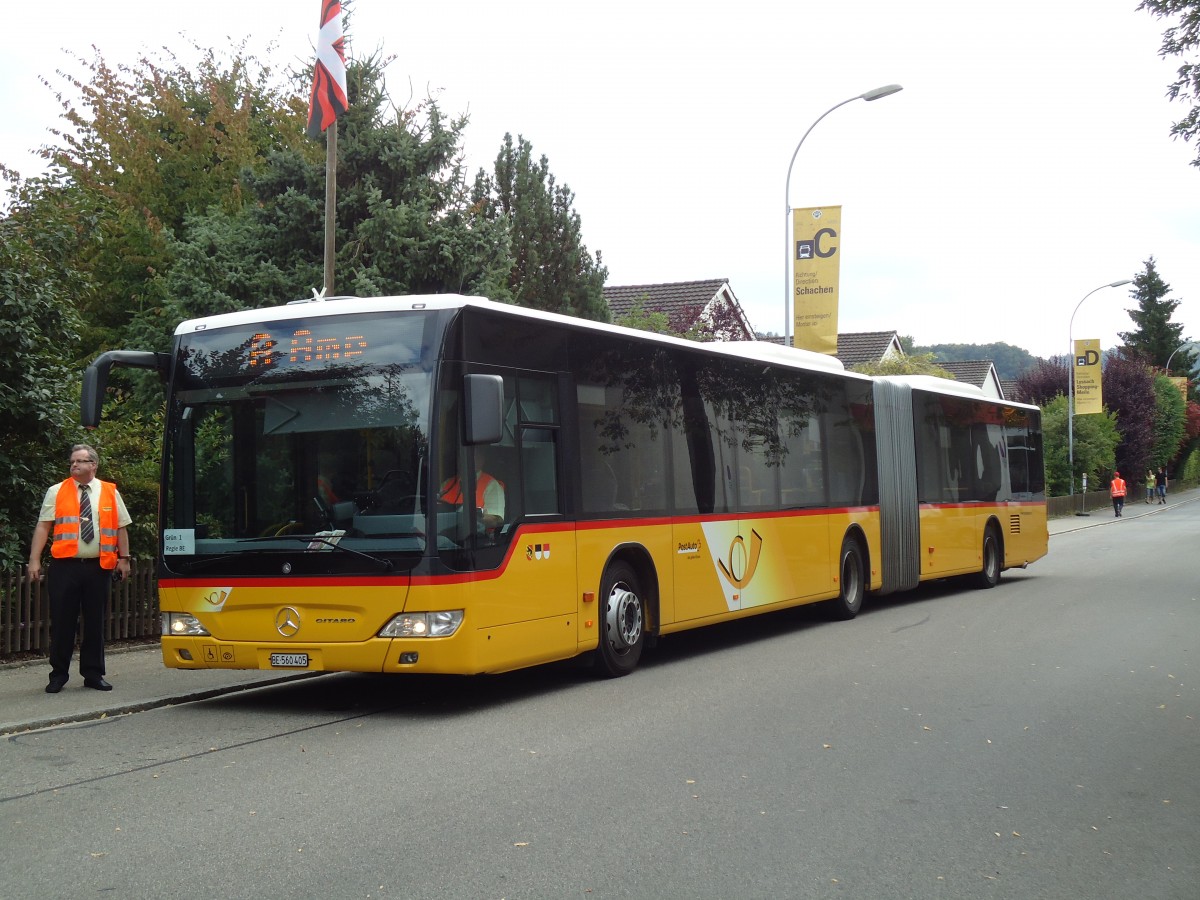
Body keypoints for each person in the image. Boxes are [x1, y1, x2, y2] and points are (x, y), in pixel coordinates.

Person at [27, 444, 132, 693]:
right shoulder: (57, 491)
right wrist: (34, 559)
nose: (74, 465)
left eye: (80, 461)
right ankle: (58, 675)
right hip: (65, 566)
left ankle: (93, 674)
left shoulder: (109, 491)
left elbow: (120, 527)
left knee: (95, 622)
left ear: (93, 465)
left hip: (98, 566)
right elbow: (44, 527)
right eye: (72, 462)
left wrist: (124, 558)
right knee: (63, 621)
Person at [439, 447, 506, 533]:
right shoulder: (447, 484)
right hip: (444, 536)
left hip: (477, 539)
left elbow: (493, 520)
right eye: (461, 456)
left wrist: (463, 520)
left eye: (472, 456)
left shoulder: (492, 485)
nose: (464, 459)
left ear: (482, 460)